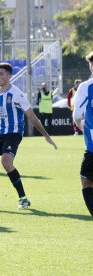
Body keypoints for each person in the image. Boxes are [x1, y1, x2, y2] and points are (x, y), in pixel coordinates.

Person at [0, 63, 57, 210]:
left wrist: (46, 135)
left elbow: (31, 116)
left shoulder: (17, 94)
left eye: (1, 74)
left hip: (13, 133)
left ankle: (23, 198)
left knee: (6, 162)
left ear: (9, 76)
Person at [72, 50, 93, 218]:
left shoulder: (86, 86)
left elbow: (77, 115)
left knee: (86, 179)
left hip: (92, 146)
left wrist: (81, 127)